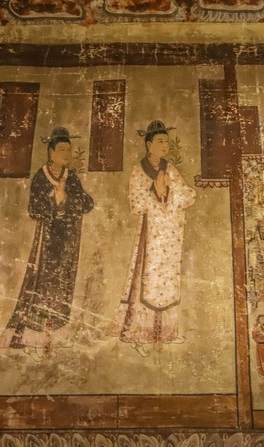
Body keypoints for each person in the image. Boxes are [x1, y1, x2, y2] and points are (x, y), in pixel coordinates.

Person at [0, 127, 93, 354]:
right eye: (62, 149)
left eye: (68, 149)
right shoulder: (42, 177)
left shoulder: (71, 177)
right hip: (48, 240)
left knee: (63, 284)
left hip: (68, 239)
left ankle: (55, 335)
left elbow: (87, 202)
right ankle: (33, 337)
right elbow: (35, 208)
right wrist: (53, 200)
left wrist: (66, 199)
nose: (66, 154)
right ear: (51, 151)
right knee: (41, 284)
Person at [108, 120, 197, 358]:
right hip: (150, 235)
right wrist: (155, 191)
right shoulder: (139, 170)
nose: (165, 145)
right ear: (149, 144)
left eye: (167, 141)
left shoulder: (170, 169)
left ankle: (166, 333)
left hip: (169, 237)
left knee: (167, 282)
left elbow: (188, 196)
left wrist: (169, 190)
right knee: (145, 282)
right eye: (160, 141)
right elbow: (136, 204)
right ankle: (139, 334)